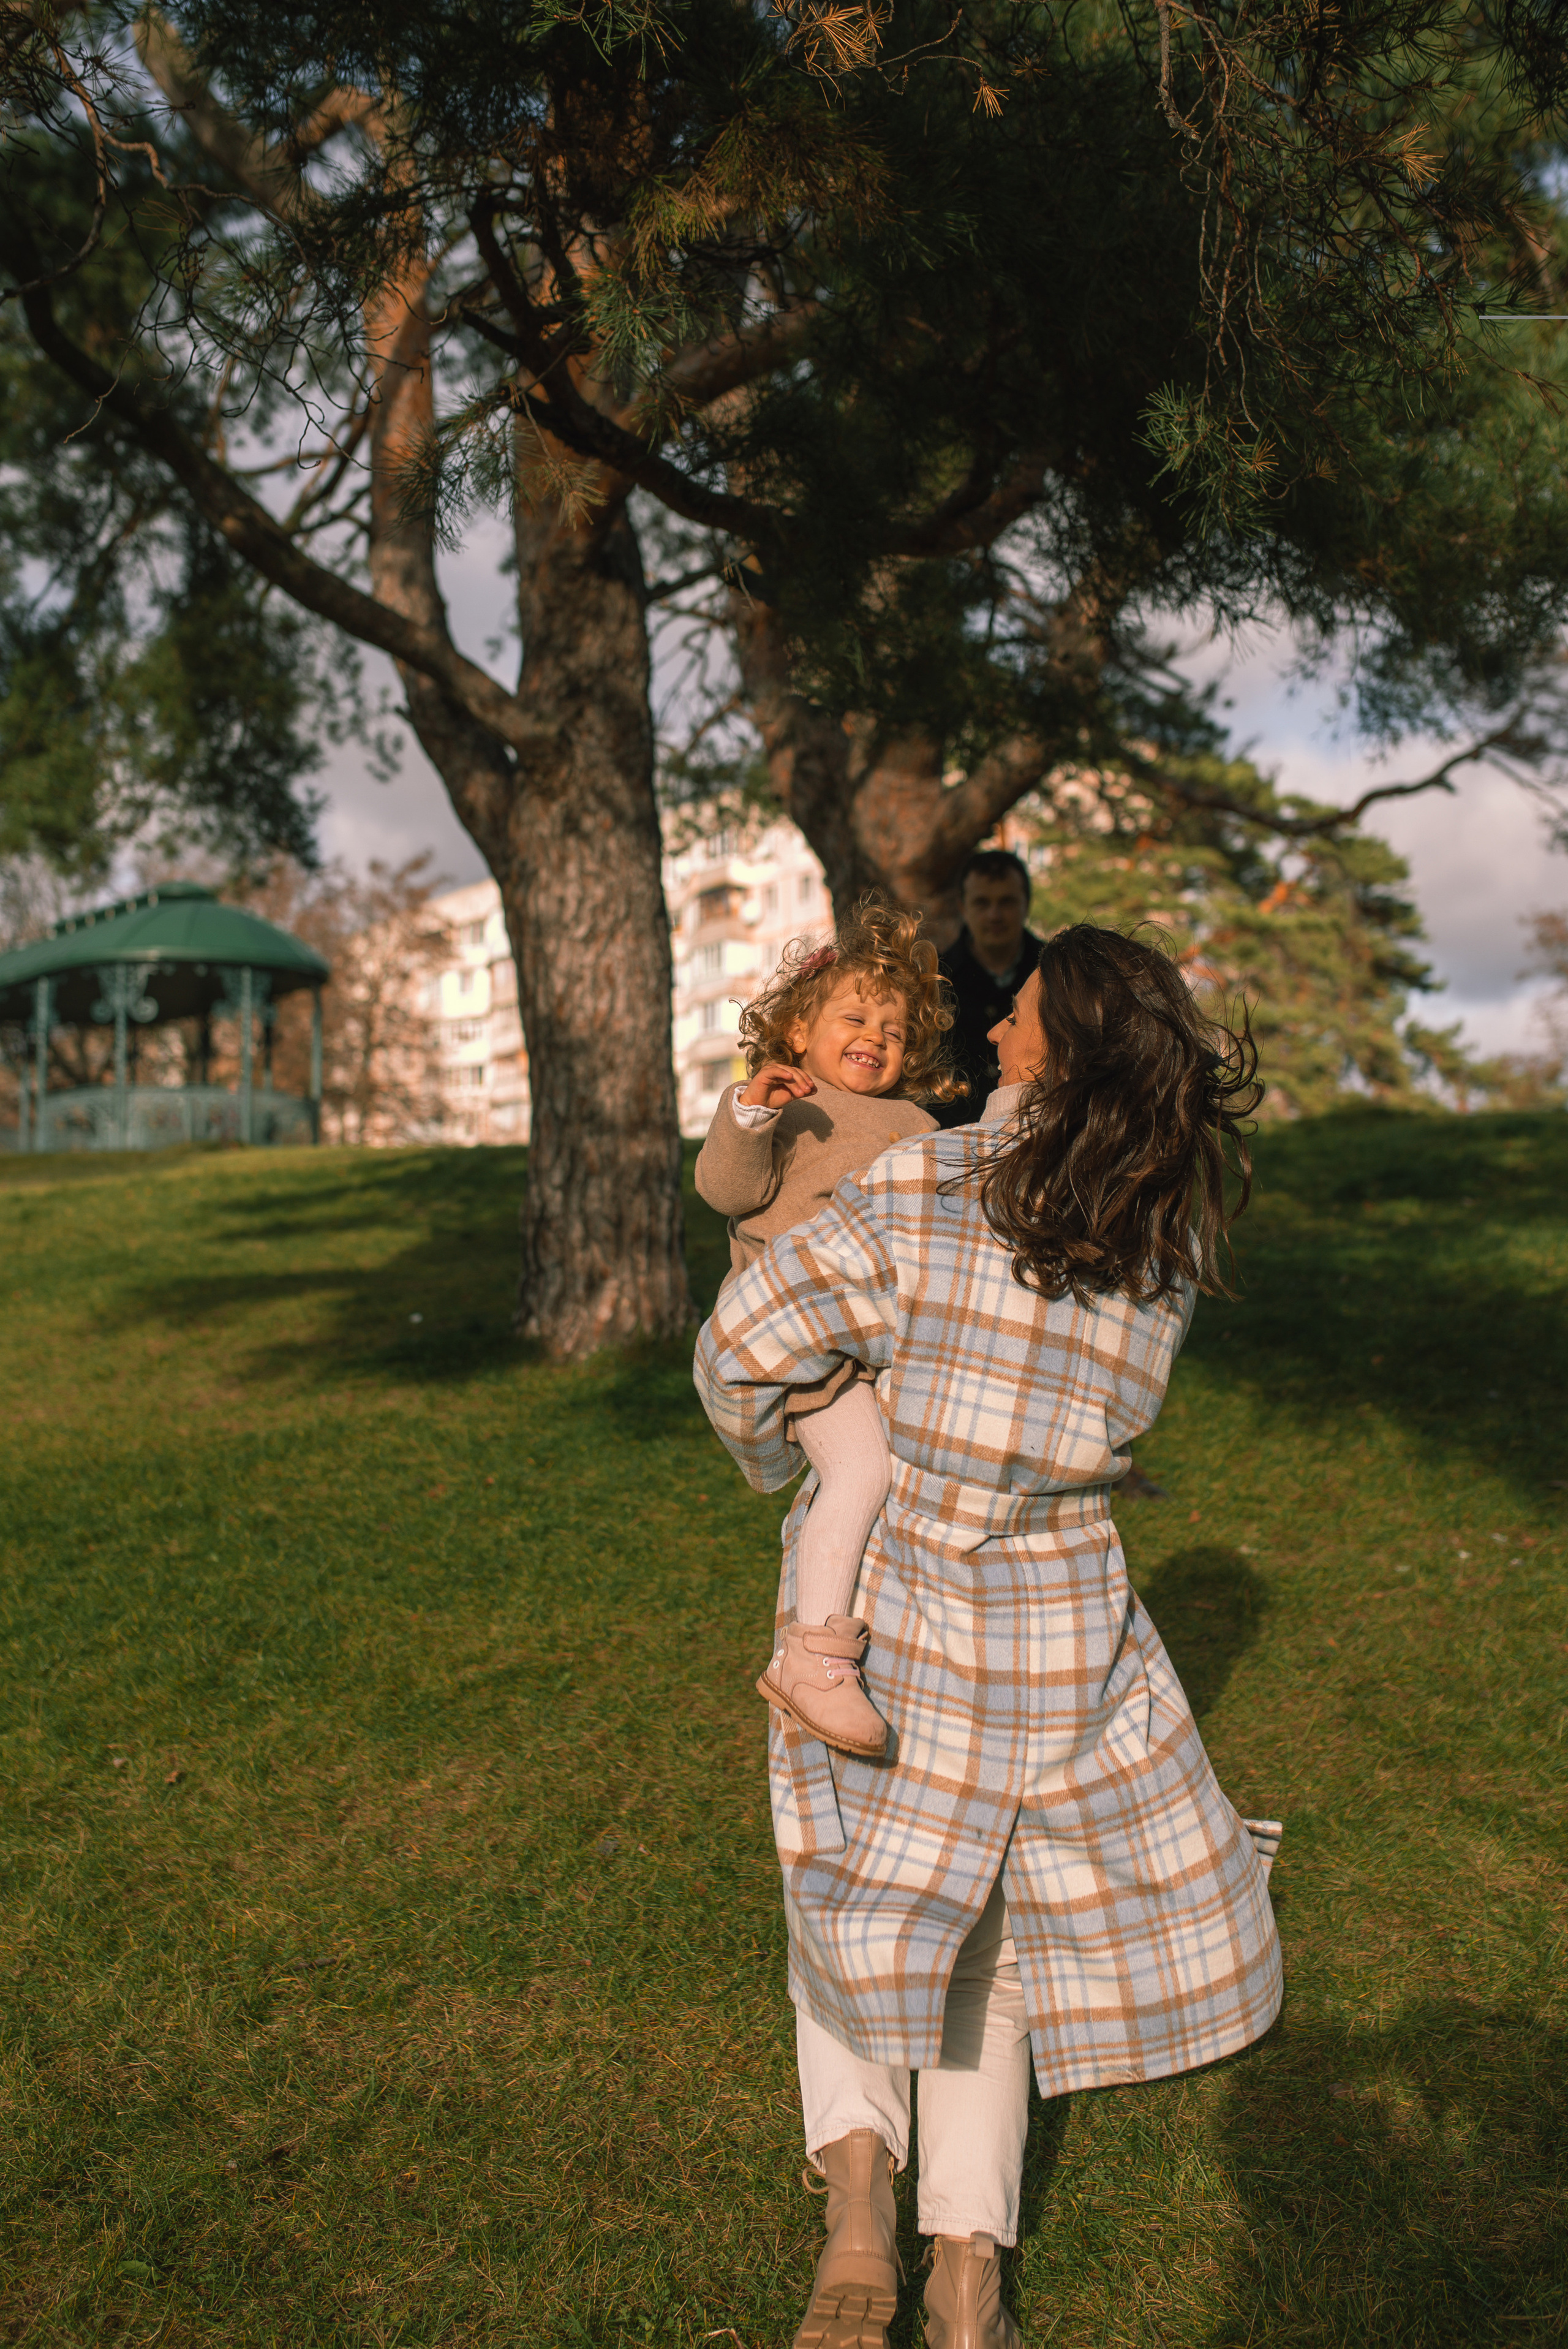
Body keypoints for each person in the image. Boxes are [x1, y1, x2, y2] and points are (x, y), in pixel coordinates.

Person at [694, 925, 1283, 2349]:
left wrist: (832, 1437)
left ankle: (854, 2235)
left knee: (849, 1895)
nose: (995, 1029)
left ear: (1057, 1042)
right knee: (993, 1953)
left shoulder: (927, 1180)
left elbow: (739, 1345)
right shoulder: (1169, 1232)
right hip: (1058, 1615)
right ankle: (968, 2281)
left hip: (891, 1598)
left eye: (1014, 1014)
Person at [694, 898, 963, 1759]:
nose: (874, 1038)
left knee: (912, 1482)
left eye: (892, 1029)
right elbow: (727, 1194)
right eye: (853, 1017)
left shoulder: (919, 1126)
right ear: (799, 1027)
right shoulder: (789, 1104)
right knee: (862, 1468)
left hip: (886, 1343)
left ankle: (917, 1656)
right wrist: (751, 1110)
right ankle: (814, 1659)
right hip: (804, 1346)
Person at [933, 847, 1045, 1127]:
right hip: (950, 1134)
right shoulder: (934, 979)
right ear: (962, 906)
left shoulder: (1056, 975)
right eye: (982, 903)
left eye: (1006, 902)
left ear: (1026, 903)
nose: (994, 915)